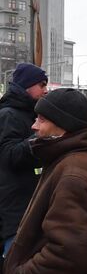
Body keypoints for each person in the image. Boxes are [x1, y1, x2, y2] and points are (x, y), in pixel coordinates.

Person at [1, 88, 87, 274]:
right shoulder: (68, 160)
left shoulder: (73, 174)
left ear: (63, 125)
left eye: (41, 119)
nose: (33, 126)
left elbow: (67, 253)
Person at [0, 63, 48, 256]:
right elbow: (10, 155)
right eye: (42, 85)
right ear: (26, 85)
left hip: (27, 208)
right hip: (15, 213)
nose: (46, 90)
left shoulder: (29, 114)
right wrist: (41, 137)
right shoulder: (8, 115)